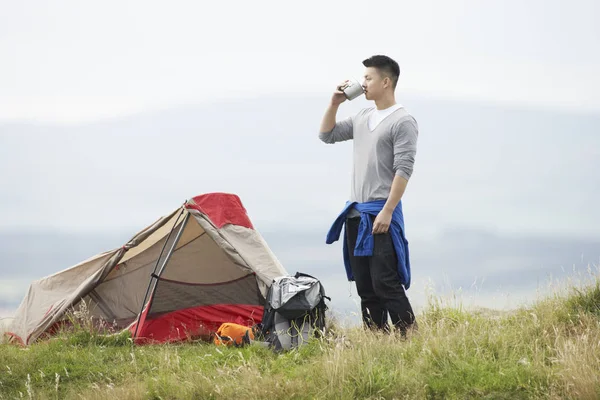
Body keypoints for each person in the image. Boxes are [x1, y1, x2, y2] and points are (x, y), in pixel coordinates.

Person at [319, 55, 418, 335]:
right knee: (365, 284)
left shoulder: (403, 121)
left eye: (368, 78)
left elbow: (404, 169)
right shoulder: (363, 117)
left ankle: (410, 339)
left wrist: (388, 210)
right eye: (363, 78)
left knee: (385, 281)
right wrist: (334, 103)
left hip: (381, 212)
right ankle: (377, 342)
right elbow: (327, 135)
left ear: (386, 82)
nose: (363, 84)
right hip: (355, 213)